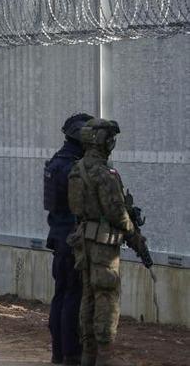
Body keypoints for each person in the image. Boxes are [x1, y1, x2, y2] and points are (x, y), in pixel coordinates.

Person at [68, 118, 149, 366]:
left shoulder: (77, 169)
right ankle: (104, 355)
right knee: (106, 296)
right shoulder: (104, 174)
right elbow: (118, 214)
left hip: (84, 243)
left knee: (88, 296)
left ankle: (88, 355)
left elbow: (76, 207)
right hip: (104, 246)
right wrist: (136, 239)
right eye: (110, 138)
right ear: (102, 141)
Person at [44, 112, 93, 365]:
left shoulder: (56, 162)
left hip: (57, 237)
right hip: (72, 240)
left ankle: (58, 353)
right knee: (73, 296)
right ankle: (71, 354)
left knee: (61, 295)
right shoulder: (75, 166)